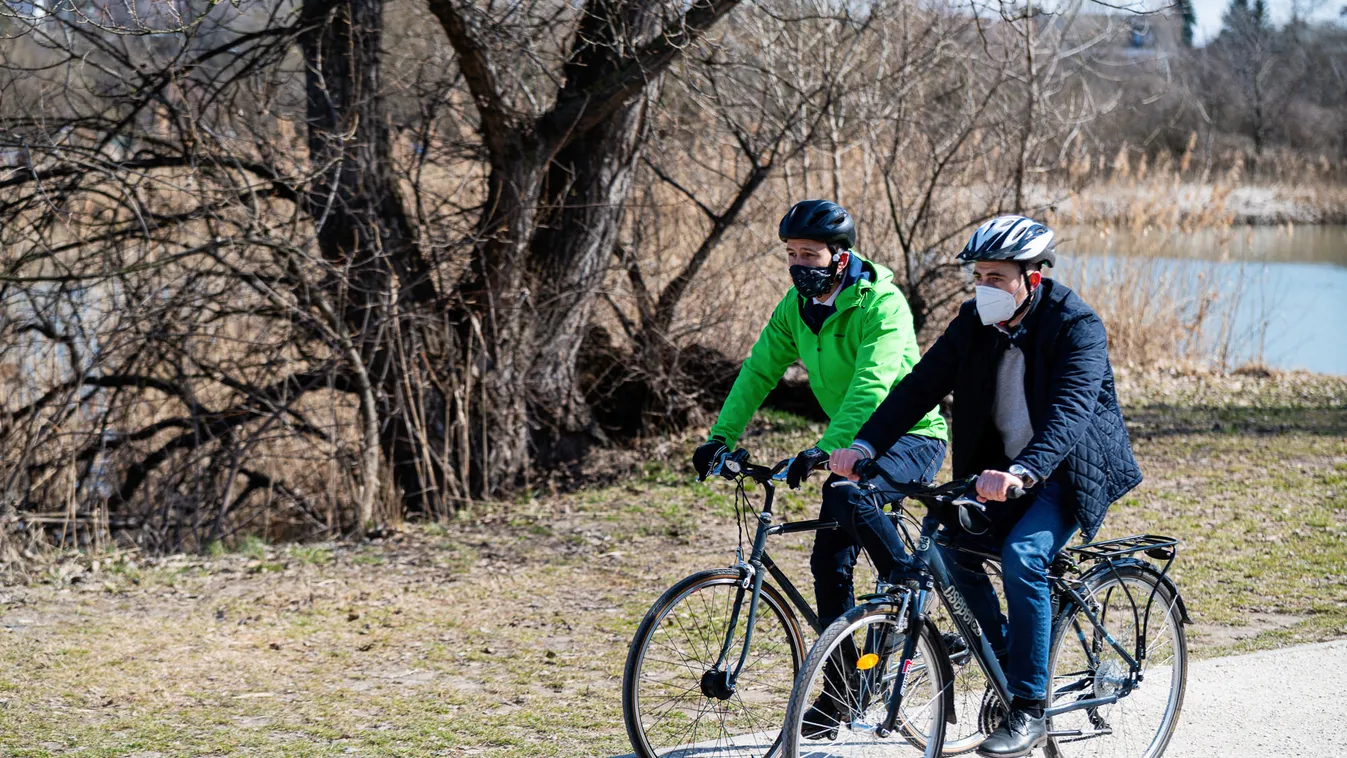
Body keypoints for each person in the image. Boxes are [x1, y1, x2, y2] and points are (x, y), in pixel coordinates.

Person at [830, 215, 1143, 758]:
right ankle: (1004, 654)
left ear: (1033, 277)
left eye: (996, 277)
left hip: (1065, 469)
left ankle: (1029, 708)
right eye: (979, 276)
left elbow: (1070, 414)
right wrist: (866, 446)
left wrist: (1025, 471)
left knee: (1024, 556)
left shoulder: (1077, 326)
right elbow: (918, 387)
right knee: (950, 551)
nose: (984, 288)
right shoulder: (973, 322)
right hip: (994, 472)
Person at [690, 199, 948, 734]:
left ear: (840, 256)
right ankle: (842, 688)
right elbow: (759, 369)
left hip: (909, 436)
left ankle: (910, 588)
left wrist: (824, 448)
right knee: (827, 561)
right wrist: (721, 437)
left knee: (846, 497)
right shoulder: (796, 308)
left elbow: (872, 385)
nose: (799, 264)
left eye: (810, 253)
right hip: (851, 445)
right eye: (791, 254)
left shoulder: (883, 303)